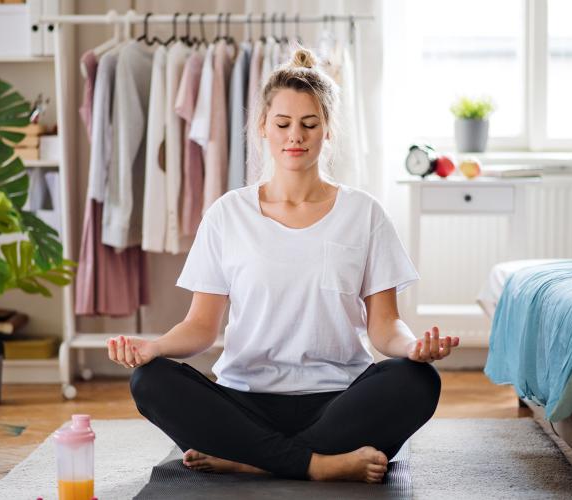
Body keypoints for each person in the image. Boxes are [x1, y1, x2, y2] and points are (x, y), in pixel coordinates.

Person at [107, 47, 460, 484]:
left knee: (419, 381)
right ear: (262, 128)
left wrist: (413, 349)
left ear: (327, 131)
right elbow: (201, 326)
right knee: (149, 381)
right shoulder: (227, 214)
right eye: (283, 124)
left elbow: (385, 326)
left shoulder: (363, 213)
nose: (296, 135)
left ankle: (250, 459)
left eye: (309, 124)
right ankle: (317, 464)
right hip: (245, 399)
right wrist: (153, 348)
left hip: (338, 399)